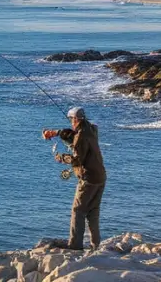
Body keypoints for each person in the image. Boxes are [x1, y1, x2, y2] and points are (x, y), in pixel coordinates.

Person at [42, 106, 107, 251]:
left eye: (71, 119)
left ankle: (75, 246)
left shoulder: (80, 137)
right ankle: (95, 245)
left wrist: (61, 158)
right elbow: (74, 134)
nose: (71, 122)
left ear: (76, 119)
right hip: (100, 176)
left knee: (78, 211)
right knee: (93, 211)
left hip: (88, 178)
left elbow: (77, 160)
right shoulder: (92, 128)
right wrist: (57, 132)